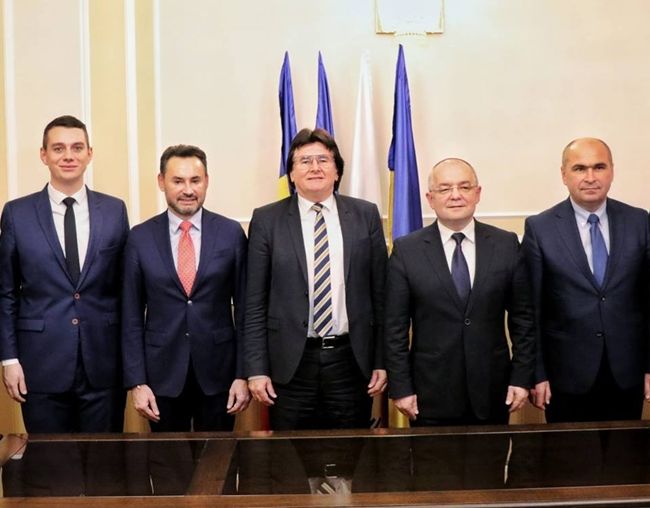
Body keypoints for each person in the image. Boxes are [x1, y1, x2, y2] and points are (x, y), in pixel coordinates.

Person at [245, 128, 387, 430]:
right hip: (290, 365)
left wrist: (381, 360)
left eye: (323, 160)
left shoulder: (365, 215)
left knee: (350, 451)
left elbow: (381, 296)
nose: (315, 167)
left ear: (337, 171)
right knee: (289, 454)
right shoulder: (267, 220)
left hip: (351, 361)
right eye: (305, 161)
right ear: (291, 174)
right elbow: (254, 302)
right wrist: (257, 369)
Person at [0, 115, 129, 432]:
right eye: (58, 148)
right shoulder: (17, 214)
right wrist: (9, 359)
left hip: (104, 366)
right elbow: (5, 292)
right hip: (40, 365)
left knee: (105, 459)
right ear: (43, 155)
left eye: (77, 147)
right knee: (49, 461)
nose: (68, 156)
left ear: (89, 154)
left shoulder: (114, 211)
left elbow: (126, 291)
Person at [384, 158, 535, 426]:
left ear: (478, 193)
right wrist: (401, 387)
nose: (455, 195)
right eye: (444, 189)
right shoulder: (407, 251)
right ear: (430, 199)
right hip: (429, 395)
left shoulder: (506, 244)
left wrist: (521, 378)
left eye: (464, 187)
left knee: (491, 455)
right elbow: (394, 327)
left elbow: (523, 319)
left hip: (493, 391)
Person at [121, 144, 249, 431]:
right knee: (168, 458)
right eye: (178, 181)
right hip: (161, 376)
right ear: (161, 182)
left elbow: (246, 311)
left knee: (218, 457)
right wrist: (137, 382)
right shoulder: (140, 238)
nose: (188, 190)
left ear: (207, 181)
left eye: (195, 180)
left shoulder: (230, 234)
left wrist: (243, 374)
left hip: (220, 375)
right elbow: (130, 316)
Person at [523, 137, 650, 422]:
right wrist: (537, 373)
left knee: (628, 451)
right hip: (565, 377)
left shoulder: (640, 221)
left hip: (627, 373)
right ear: (564, 175)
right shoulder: (540, 228)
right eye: (580, 168)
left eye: (599, 167)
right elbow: (531, 309)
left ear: (612, 171)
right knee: (570, 452)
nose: (590, 177)